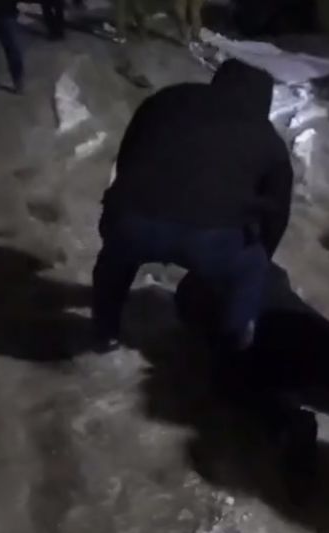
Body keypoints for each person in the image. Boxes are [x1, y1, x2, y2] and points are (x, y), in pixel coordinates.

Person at [92, 58, 292, 363]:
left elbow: (129, 154)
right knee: (250, 268)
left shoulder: (167, 99)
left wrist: (116, 209)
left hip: (134, 219)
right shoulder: (269, 140)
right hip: (209, 238)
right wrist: (262, 252)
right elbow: (277, 210)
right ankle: (233, 346)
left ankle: (104, 331)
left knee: (116, 259)